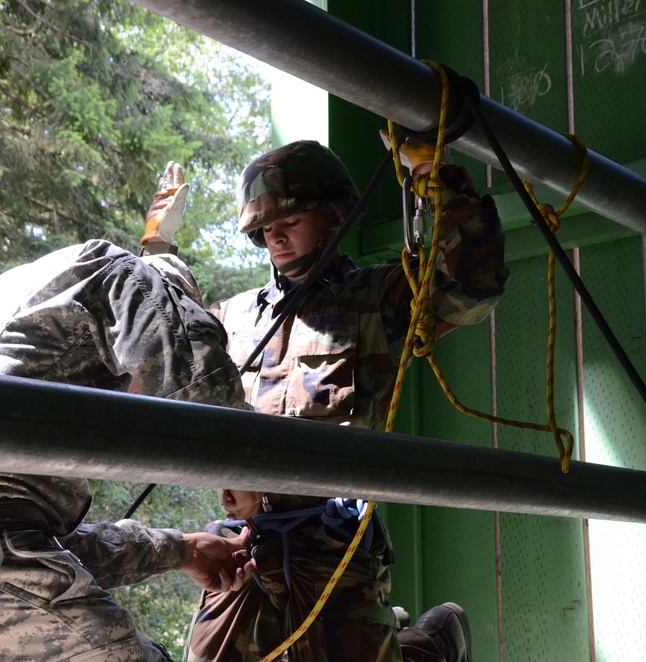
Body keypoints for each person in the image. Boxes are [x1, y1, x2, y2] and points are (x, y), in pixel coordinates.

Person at [0, 175, 256, 662]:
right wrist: (247, 473)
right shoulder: (128, 275)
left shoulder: (3, 324)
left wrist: (181, 549)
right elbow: (193, 368)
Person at [180, 139, 509, 662]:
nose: (274, 233)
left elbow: (475, 284)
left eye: (291, 216)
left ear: (332, 216)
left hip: (332, 546)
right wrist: (159, 252)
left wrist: (432, 176)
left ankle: (429, 644)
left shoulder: (375, 299)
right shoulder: (234, 318)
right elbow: (167, 351)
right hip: (245, 542)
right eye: (264, 224)